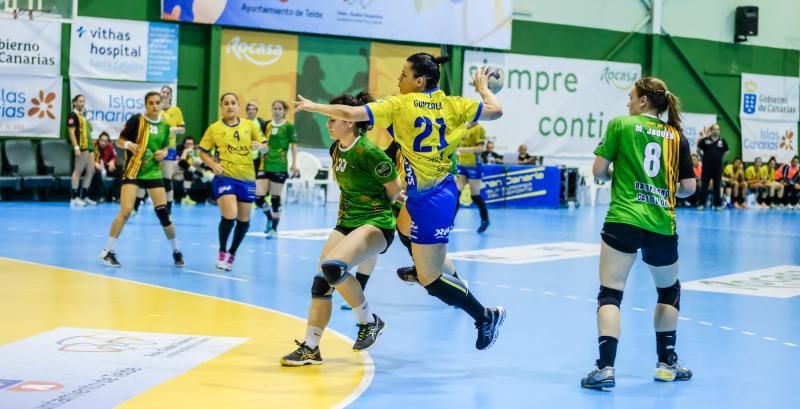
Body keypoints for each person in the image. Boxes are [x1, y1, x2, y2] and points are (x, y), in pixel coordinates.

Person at [296, 53, 505, 350]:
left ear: (419, 81)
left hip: (433, 199)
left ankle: (485, 316)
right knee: (401, 224)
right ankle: (421, 267)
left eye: (404, 75)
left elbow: (352, 114)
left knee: (431, 280)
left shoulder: (400, 104)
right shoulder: (455, 103)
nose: (398, 80)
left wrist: (315, 106)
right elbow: (495, 112)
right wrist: (483, 88)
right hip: (432, 192)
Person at [582, 77, 696, 390]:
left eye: (631, 98)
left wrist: (613, 175)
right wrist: (661, 187)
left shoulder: (621, 125)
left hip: (623, 220)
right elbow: (688, 189)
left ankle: (605, 368)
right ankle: (666, 363)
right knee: (668, 291)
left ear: (644, 101)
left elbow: (598, 171)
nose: (628, 103)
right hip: (661, 225)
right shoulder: (677, 137)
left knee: (611, 293)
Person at [280, 93, 402, 366]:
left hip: (376, 223)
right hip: (347, 222)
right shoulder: (337, 149)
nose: (328, 124)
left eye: (332, 118)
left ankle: (369, 321)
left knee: (334, 267)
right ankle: (311, 347)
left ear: (350, 121)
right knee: (321, 282)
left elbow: (395, 193)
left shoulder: (371, 153)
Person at [98, 91, 184, 268]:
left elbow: (165, 148)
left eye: (157, 103)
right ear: (146, 105)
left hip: (153, 173)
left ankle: (176, 251)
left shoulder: (165, 126)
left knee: (163, 213)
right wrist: (129, 144)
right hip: (133, 171)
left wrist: (164, 153)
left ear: (161, 104)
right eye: (151, 103)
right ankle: (107, 251)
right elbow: (120, 141)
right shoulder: (137, 120)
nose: (154, 106)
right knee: (126, 211)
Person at [199, 92, 268, 271]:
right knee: (230, 215)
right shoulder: (214, 129)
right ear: (221, 107)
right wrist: (213, 165)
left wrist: (260, 146)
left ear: (238, 106)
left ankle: (232, 253)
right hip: (225, 176)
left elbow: (265, 144)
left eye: (233, 103)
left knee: (244, 221)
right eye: (226, 103)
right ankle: (221, 251)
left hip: (247, 178)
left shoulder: (249, 126)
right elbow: (203, 152)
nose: (230, 106)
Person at [256, 100, 299, 239]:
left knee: (275, 198)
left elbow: (293, 146)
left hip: (279, 166)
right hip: (265, 164)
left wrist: (294, 164)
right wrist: (260, 147)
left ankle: (274, 228)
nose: (277, 110)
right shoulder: (267, 125)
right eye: (274, 108)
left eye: (280, 108)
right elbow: (263, 142)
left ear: (284, 111)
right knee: (257, 196)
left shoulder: (289, 126)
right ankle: (269, 217)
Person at [455, 121, 490, 233]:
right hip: (462, 164)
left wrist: (463, 150)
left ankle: (485, 220)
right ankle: (450, 221)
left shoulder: (479, 128)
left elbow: (481, 148)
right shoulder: (463, 127)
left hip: (474, 165)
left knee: (475, 195)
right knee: (457, 192)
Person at [158, 85, 186, 212]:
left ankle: (168, 209)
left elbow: (183, 129)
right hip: (155, 148)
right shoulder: (156, 110)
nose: (164, 94)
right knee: (148, 178)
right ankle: (137, 206)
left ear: (170, 95)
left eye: (167, 92)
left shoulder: (176, 110)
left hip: (169, 149)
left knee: (167, 179)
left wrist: (176, 129)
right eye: (163, 92)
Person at [67, 94, 96, 207]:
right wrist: (76, 147)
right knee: (78, 171)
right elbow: (71, 132)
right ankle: (74, 198)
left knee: (91, 171)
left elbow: (91, 129)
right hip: (81, 146)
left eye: (83, 101)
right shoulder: (72, 115)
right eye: (80, 101)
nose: (82, 103)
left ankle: (84, 196)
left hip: (89, 146)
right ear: (74, 102)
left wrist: (85, 117)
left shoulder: (82, 116)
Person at [696, 124, 728, 211]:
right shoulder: (705, 140)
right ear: (711, 130)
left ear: (719, 131)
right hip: (706, 168)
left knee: (717, 186)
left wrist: (720, 159)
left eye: (717, 129)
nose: (716, 131)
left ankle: (717, 205)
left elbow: (726, 152)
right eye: (714, 129)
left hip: (717, 169)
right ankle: (701, 204)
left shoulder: (723, 141)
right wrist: (703, 157)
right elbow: (698, 150)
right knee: (704, 186)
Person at [91, 131, 120, 202]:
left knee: (121, 171)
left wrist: (112, 162)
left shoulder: (110, 146)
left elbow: (114, 157)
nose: (103, 143)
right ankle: (99, 196)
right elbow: (88, 157)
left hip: (105, 167)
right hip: (94, 167)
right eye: (102, 140)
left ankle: (116, 196)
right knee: (96, 173)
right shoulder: (94, 145)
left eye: (105, 141)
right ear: (99, 140)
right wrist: (94, 163)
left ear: (108, 142)